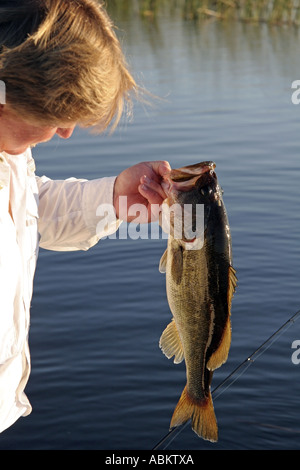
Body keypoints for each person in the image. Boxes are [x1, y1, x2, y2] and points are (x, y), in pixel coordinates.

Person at [0, 0, 171, 433]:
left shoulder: (12, 157)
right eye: (57, 118)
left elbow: (29, 211)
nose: (65, 133)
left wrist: (114, 198)